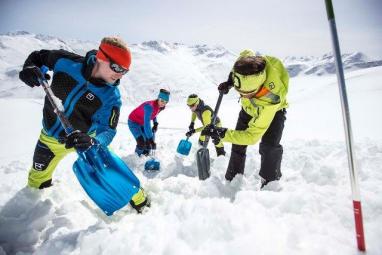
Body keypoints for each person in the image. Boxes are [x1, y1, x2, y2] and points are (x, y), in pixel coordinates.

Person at [18, 36, 149, 213]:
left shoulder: (111, 97)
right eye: (116, 67)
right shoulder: (66, 62)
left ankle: (138, 196)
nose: (119, 74)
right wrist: (29, 68)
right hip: (50, 138)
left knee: (113, 172)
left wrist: (94, 142)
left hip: (85, 141)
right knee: (36, 181)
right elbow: (38, 57)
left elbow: (108, 130)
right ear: (102, 57)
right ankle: (36, 211)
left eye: (124, 71)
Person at [201, 49, 289, 188]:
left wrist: (221, 133)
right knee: (237, 143)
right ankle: (233, 178)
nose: (242, 96)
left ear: (258, 88)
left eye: (246, 93)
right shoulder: (243, 63)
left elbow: (251, 137)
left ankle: (270, 183)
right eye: (240, 92)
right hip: (248, 108)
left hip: (274, 112)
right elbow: (238, 65)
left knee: (269, 146)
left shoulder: (271, 98)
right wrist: (231, 82)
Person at [128, 89, 170, 156]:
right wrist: (151, 139)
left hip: (142, 122)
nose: (163, 104)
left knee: (148, 144)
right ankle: (136, 158)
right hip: (134, 122)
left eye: (165, 102)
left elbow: (154, 114)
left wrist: (155, 123)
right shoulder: (149, 107)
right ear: (158, 98)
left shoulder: (160, 106)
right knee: (141, 143)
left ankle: (145, 155)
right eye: (162, 101)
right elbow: (147, 124)